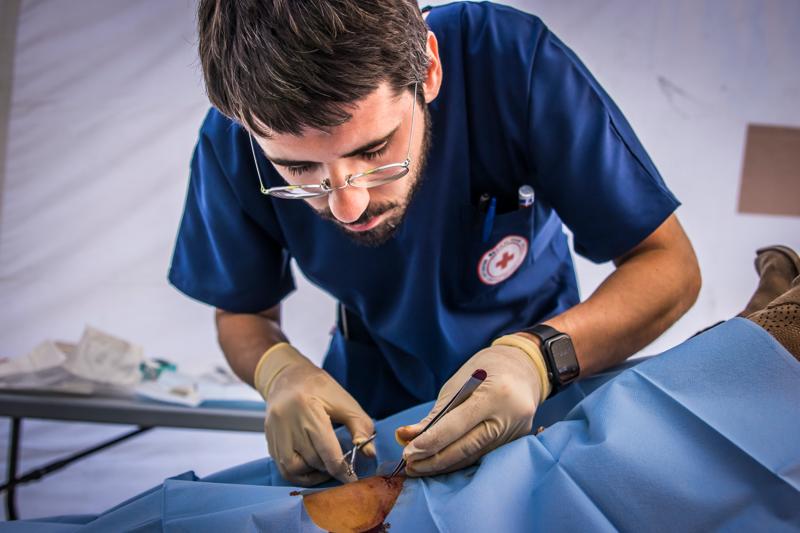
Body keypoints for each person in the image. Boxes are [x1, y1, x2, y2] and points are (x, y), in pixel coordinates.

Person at [169, 1, 701, 487]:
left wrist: (539, 358)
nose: (346, 208)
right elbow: (242, 313)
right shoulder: (232, 137)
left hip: (547, 377)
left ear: (429, 70)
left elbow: (668, 267)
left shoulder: (507, 60)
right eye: (297, 169)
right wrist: (277, 370)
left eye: (375, 151)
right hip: (372, 392)